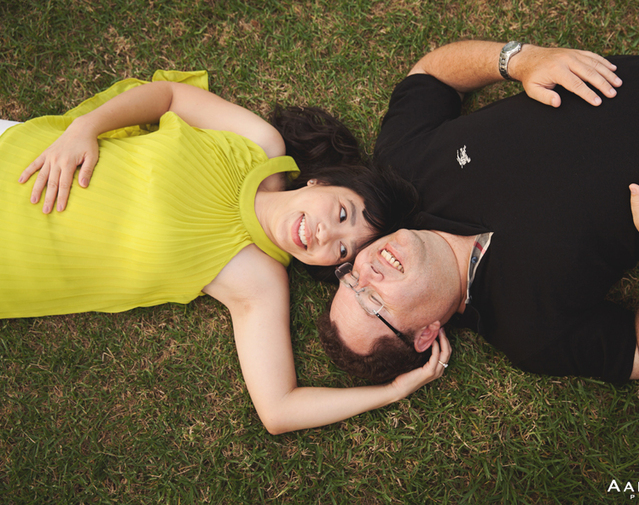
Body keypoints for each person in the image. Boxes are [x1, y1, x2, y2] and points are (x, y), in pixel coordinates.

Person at [319, 15, 639, 385]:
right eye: (373, 304)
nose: (366, 272)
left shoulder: (401, 169)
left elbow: (429, 75)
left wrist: (520, 60)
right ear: (424, 336)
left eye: (349, 279)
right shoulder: (529, 331)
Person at [0, 70, 452, 434]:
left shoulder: (256, 280)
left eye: (340, 250)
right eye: (340, 213)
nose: (321, 236)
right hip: (21, 158)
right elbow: (168, 97)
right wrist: (85, 127)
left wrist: (393, 391)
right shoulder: (261, 145)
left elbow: (278, 410)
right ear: (321, 181)